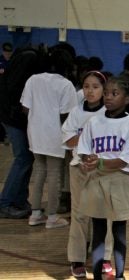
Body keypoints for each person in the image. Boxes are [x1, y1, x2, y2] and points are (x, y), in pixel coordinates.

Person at [77, 75, 129, 280]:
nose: (108, 97)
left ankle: (120, 274)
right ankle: (97, 275)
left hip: (121, 180)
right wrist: (87, 159)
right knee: (97, 230)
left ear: (127, 99)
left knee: (119, 230)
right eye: (106, 93)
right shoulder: (93, 121)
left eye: (115, 94)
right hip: (97, 180)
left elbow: (125, 160)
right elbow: (84, 149)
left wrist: (100, 162)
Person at [62, 71, 115, 278]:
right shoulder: (76, 112)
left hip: (102, 169)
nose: (90, 91)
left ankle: (104, 257)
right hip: (79, 169)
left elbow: (112, 142)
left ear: (104, 90)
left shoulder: (110, 114)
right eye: (86, 86)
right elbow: (68, 140)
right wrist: (86, 138)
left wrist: (82, 137)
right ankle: (76, 258)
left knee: (105, 215)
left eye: (95, 87)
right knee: (79, 214)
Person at [21, 49, 77, 229]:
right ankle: (52, 217)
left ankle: (35, 214)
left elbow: (25, 108)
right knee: (54, 174)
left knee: (39, 172)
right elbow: (67, 114)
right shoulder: (66, 85)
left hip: (35, 133)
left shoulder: (33, 79)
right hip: (55, 135)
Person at [0, 44, 48, 219]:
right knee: (23, 158)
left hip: (11, 116)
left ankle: (19, 200)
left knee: (26, 158)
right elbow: (16, 90)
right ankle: (5, 203)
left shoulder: (25, 56)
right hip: (13, 118)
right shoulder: (31, 59)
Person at [0, 42, 13, 144]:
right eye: (5, 52)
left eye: (9, 52)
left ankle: (7, 136)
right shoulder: (0, 60)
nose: (7, 54)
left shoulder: (14, 61)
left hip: (9, 93)